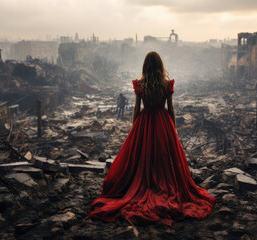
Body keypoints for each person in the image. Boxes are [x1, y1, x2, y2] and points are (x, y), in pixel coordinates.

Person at [88, 51, 216, 226]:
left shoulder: (140, 84)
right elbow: (170, 108)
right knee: (164, 159)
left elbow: (136, 108)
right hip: (163, 122)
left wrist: (135, 128)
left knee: (142, 158)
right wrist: (173, 128)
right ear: (160, 66)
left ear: (145, 66)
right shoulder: (166, 84)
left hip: (145, 121)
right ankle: (161, 184)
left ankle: (145, 185)